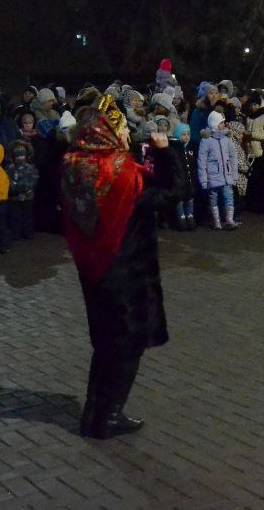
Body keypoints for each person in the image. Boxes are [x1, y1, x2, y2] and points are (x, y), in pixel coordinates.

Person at [63, 95, 178, 439]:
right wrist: (164, 151)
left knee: (105, 344)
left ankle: (93, 413)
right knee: (127, 345)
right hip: (127, 274)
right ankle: (109, 416)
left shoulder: (73, 165)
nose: (127, 135)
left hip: (94, 271)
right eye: (122, 129)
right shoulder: (122, 175)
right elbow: (174, 192)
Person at [196, 111, 241, 230]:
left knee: (228, 196)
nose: (224, 124)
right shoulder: (206, 140)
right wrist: (204, 180)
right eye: (221, 122)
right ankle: (216, 221)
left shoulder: (226, 138)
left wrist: (234, 174)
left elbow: (233, 157)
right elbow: (202, 161)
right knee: (213, 197)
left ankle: (229, 220)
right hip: (212, 175)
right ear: (215, 124)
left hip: (226, 174)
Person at [5, 141, 40, 241]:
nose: (20, 158)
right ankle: (16, 234)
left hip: (28, 197)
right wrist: (16, 189)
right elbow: (8, 182)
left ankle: (28, 233)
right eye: (17, 156)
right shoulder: (10, 168)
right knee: (15, 217)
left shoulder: (30, 167)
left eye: (22, 155)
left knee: (28, 216)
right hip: (14, 198)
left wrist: (27, 188)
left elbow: (34, 179)